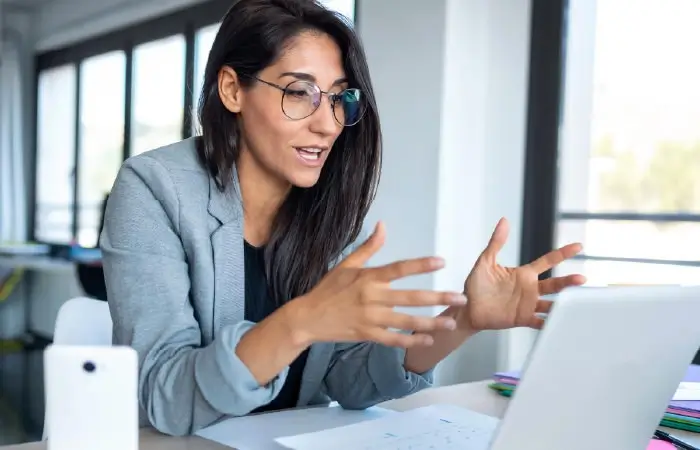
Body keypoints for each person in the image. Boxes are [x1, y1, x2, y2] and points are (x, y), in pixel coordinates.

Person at [100, 0, 585, 437]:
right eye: (299, 93)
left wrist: (463, 320)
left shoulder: (324, 203)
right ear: (232, 89)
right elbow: (164, 393)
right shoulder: (154, 188)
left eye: (338, 98)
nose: (328, 123)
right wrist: (298, 323)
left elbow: (344, 377)